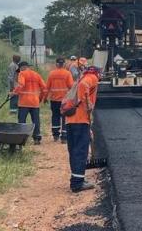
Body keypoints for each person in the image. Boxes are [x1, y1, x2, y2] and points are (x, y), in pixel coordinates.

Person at [66, 65, 100, 193]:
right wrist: (88, 105)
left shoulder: (80, 78)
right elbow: (84, 86)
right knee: (81, 152)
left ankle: (76, 179)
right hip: (80, 121)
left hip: (71, 121)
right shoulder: (91, 77)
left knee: (74, 151)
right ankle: (77, 184)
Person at [12, 61, 46, 145]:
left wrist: (14, 92)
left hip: (24, 102)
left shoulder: (22, 74)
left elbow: (21, 85)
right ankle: (37, 138)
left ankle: (21, 138)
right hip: (35, 102)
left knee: (22, 121)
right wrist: (40, 98)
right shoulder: (36, 75)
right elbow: (44, 88)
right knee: (36, 121)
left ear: (22, 67)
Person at [45, 57, 74, 142]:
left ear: (56, 64)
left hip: (54, 100)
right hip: (65, 100)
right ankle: (64, 137)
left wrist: (44, 98)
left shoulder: (51, 74)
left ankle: (55, 135)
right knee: (65, 117)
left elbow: (47, 87)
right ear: (64, 64)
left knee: (55, 116)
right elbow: (71, 87)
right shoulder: (67, 74)